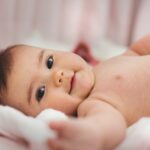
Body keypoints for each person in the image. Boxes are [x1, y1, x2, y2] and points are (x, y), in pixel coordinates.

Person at [1, 35, 150, 150]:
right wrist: (91, 134)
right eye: (41, 92)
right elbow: (110, 125)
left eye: (49, 62)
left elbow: (138, 51)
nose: (56, 76)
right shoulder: (93, 103)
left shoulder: (107, 64)